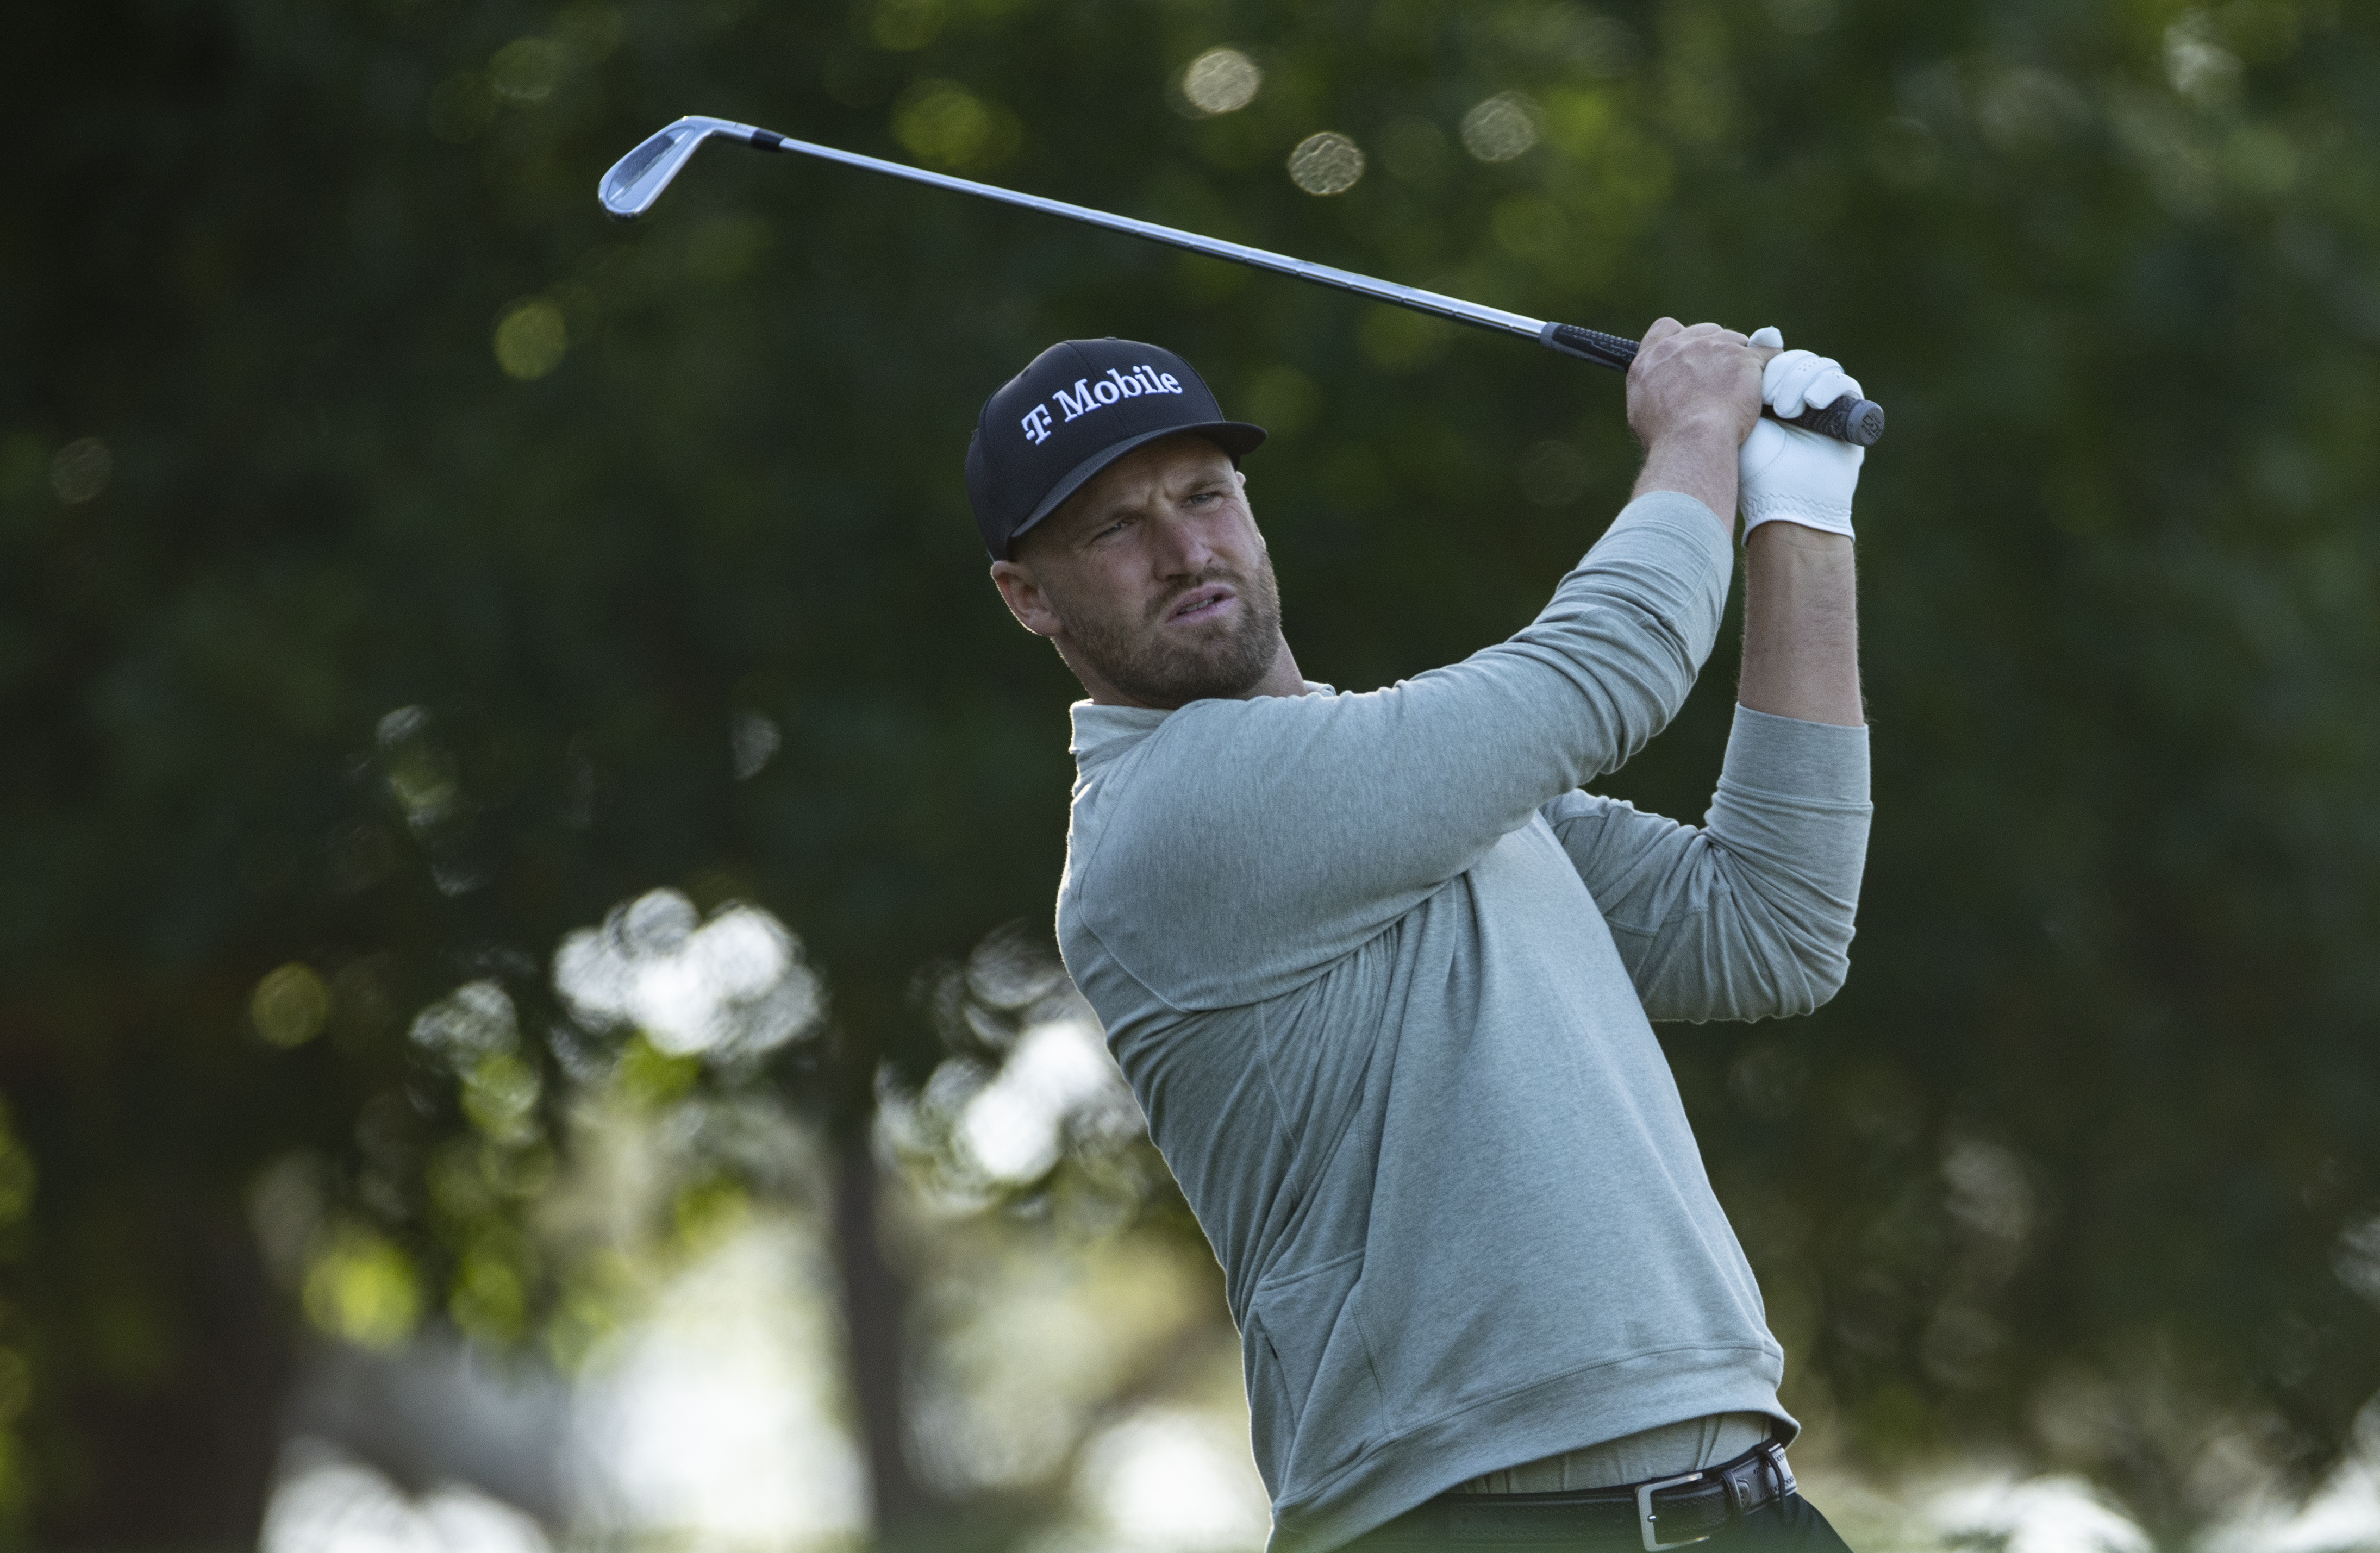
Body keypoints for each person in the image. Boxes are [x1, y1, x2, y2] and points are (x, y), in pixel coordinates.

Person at [963, 321, 1872, 1551]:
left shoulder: (1407, 775)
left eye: (1205, 495)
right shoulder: (1169, 817)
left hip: (1748, 1504)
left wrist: (1802, 513)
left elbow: (1769, 926)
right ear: (1028, 596)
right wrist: (1701, 427)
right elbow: (1610, 670)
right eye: (1114, 528)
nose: (1185, 550)